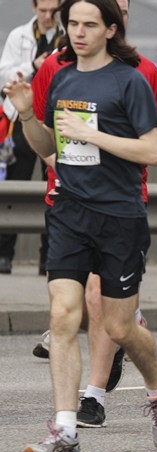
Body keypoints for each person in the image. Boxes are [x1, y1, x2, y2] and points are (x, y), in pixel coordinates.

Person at [5, 0, 157, 452]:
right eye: (73, 24)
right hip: (68, 211)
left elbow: (150, 152)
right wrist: (26, 116)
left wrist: (91, 133)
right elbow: (50, 146)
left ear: (110, 29)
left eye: (89, 25)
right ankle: (64, 431)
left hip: (120, 215)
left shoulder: (131, 81)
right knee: (63, 316)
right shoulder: (60, 76)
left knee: (120, 326)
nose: (78, 32)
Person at [0, 0, 62, 275]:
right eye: (43, 11)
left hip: (53, 122)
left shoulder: (68, 35)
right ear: (34, 8)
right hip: (22, 121)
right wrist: (32, 64)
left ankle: (48, 257)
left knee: (54, 190)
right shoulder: (18, 35)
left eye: (53, 11)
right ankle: (4, 254)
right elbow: (3, 74)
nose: (48, 17)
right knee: (14, 189)